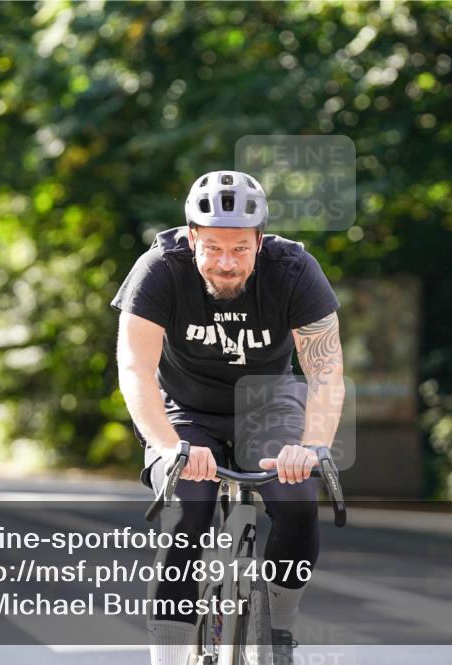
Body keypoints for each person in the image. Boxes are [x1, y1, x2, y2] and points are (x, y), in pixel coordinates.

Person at [112, 171, 345, 665]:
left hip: (268, 405)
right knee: (187, 511)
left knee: (299, 500)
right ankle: (170, 653)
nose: (226, 262)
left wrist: (312, 446)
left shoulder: (294, 270)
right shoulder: (159, 268)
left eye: (240, 248)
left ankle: (279, 626)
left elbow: (325, 373)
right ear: (192, 236)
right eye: (213, 246)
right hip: (184, 411)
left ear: (260, 241)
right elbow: (135, 368)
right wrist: (169, 445)